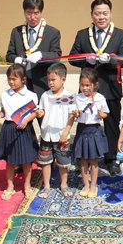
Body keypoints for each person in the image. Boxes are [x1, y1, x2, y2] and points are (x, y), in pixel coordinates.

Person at [69, 0, 123, 175]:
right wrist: (85, 59)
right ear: (91, 15)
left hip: (110, 86)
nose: (101, 17)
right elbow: (73, 57)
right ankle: (83, 158)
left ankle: (111, 158)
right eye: (97, 13)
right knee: (85, 124)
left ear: (110, 14)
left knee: (111, 123)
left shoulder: (120, 34)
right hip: (87, 89)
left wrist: (111, 60)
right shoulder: (82, 34)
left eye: (105, 13)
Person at [0, 64, 39, 200]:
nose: (11, 82)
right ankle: (10, 186)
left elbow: (34, 112)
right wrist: (0, 115)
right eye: (9, 79)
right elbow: (4, 110)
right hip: (9, 128)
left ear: (23, 79)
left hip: (25, 129)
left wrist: (26, 121)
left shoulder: (31, 95)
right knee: (10, 161)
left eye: (14, 79)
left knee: (27, 161)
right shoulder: (5, 94)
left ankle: (27, 186)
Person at [6, 0, 62, 100]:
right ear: (24, 12)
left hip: (42, 83)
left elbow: (56, 56)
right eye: (29, 13)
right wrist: (16, 59)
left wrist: (41, 55)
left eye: (36, 13)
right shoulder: (17, 32)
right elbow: (9, 55)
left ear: (41, 12)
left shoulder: (52, 32)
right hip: (21, 83)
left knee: (43, 115)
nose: (32, 17)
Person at [35, 63, 76, 198]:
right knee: (45, 162)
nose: (51, 83)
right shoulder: (45, 96)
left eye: (54, 80)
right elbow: (42, 110)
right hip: (47, 135)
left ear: (63, 79)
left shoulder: (68, 97)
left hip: (61, 136)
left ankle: (63, 184)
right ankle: (46, 186)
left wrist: (66, 132)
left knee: (63, 163)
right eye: (49, 80)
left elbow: (71, 117)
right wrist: (40, 113)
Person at [72, 67, 109, 199]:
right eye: (82, 85)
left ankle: (93, 185)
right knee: (83, 161)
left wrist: (101, 114)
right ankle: (85, 184)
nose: (85, 88)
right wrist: (75, 113)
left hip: (94, 131)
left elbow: (105, 113)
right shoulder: (77, 98)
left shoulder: (100, 98)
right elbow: (74, 113)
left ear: (95, 85)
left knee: (93, 161)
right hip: (82, 130)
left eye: (88, 85)